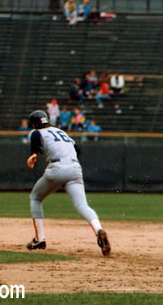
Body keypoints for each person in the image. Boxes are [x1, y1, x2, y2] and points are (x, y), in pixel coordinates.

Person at [25, 110, 111, 256]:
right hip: (75, 168)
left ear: (33, 124)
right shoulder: (61, 132)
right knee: (82, 205)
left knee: (35, 198)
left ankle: (40, 239)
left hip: (57, 168)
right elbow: (78, 150)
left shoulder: (36, 132)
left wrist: (33, 156)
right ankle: (98, 230)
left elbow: (34, 146)